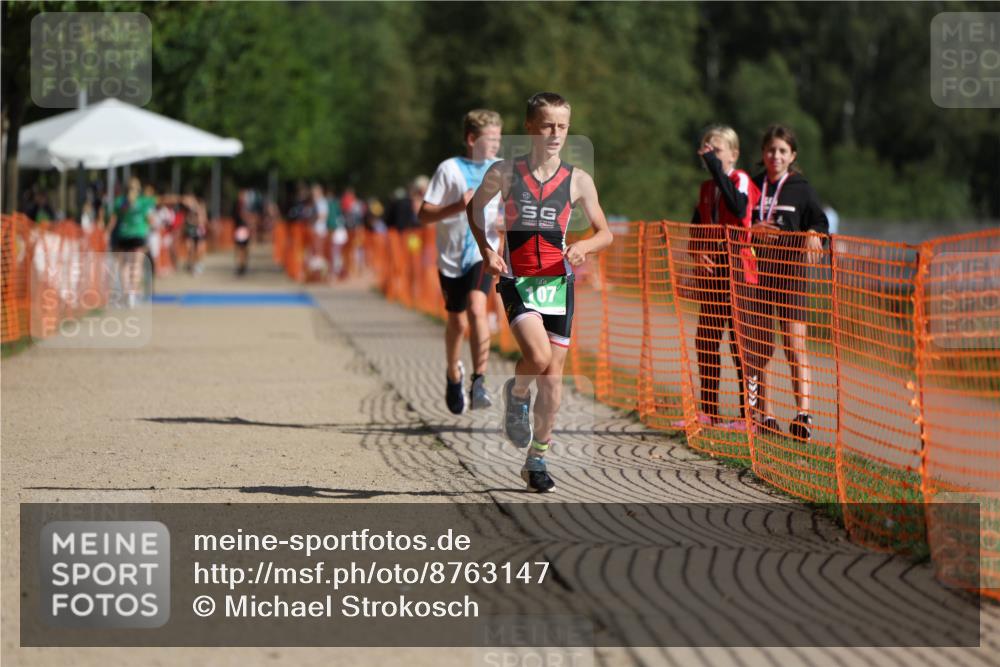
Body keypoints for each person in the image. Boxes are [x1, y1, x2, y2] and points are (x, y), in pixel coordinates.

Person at [468, 92, 613, 492]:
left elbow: (605, 233)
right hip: (517, 278)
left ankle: (536, 461)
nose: (555, 134)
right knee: (538, 356)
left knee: (551, 382)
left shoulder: (578, 180)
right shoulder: (505, 172)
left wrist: (585, 246)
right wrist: (487, 250)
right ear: (529, 126)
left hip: (557, 285)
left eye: (562, 126)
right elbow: (474, 209)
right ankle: (517, 395)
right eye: (547, 125)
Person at [743, 124, 829, 440]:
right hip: (758, 275)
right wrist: (751, 231)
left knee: (795, 344)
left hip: (791, 276)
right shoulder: (752, 186)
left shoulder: (800, 188)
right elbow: (739, 221)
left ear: (792, 155)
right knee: (760, 346)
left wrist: (814, 235)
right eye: (770, 150)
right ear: (763, 153)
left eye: (782, 151)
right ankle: (764, 415)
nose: (775, 156)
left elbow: (819, 221)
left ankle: (803, 415)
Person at [419, 109, 504, 414]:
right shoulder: (449, 170)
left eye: (498, 139)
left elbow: (508, 212)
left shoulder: (501, 170)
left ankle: (479, 380)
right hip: (451, 257)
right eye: (490, 139)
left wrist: (507, 224)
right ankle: (453, 373)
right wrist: (457, 206)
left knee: (477, 308)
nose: (496, 144)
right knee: (456, 321)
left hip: (484, 252)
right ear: (471, 139)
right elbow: (424, 214)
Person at [685, 125, 760, 431]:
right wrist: (696, 251)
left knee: (740, 343)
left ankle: (748, 416)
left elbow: (739, 208)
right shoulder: (707, 188)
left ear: (733, 154)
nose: (710, 156)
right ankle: (709, 411)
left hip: (738, 267)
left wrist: (717, 169)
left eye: (716, 151)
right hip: (713, 270)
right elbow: (697, 225)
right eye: (706, 150)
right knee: (706, 338)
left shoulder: (738, 179)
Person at [105, 177, 155, 307]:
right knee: (137, 265)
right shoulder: (143, 202)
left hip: (124, 235)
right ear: (139, 189)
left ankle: (127, 293)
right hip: (138, 235)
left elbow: (114, 219)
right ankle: (133, 292)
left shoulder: (120, 201)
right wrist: (149, 227)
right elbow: (150, 219)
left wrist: (107, 232)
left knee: (125, 266)